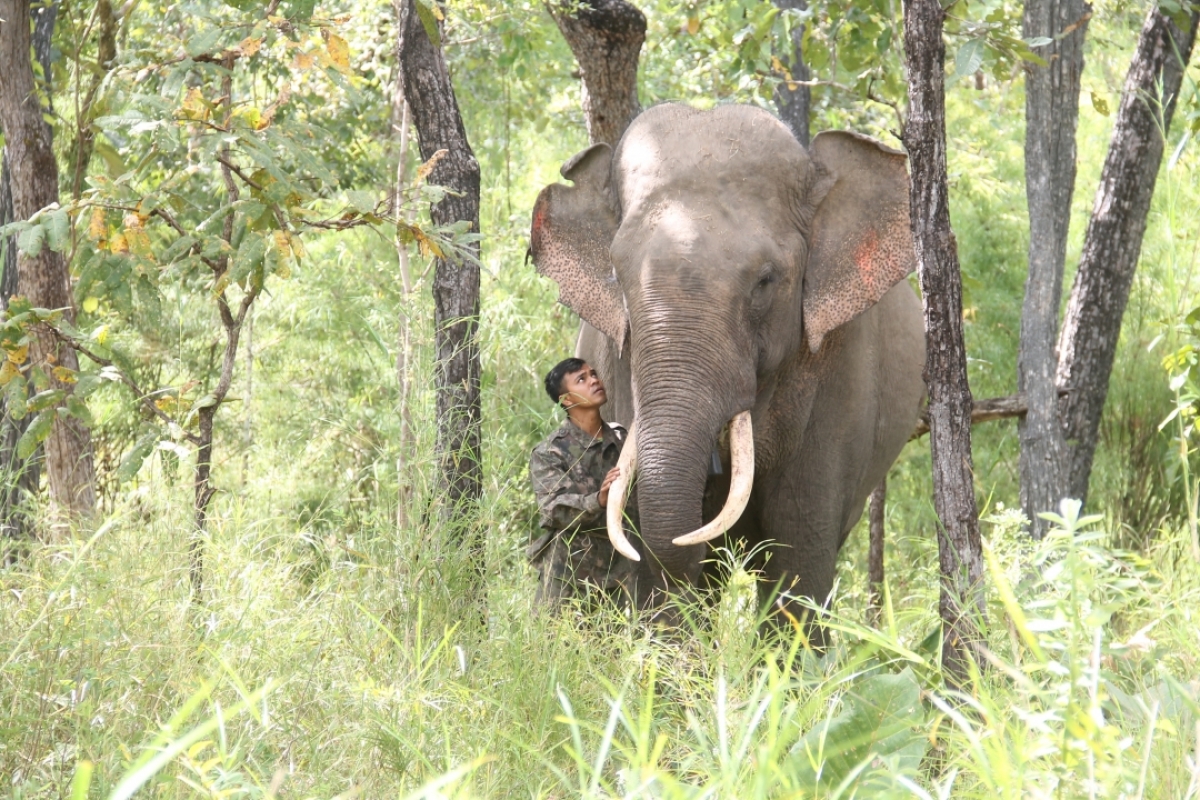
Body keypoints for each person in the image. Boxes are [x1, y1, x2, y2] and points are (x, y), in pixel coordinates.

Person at [528, 357, 638, 610]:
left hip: (619, 578)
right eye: (582, 379)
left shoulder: (625, 444)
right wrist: (598, 500)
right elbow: (553, 509)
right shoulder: (550, 452)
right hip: (567, 580)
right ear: (567, 400)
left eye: (593, 374)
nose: (594, 380)